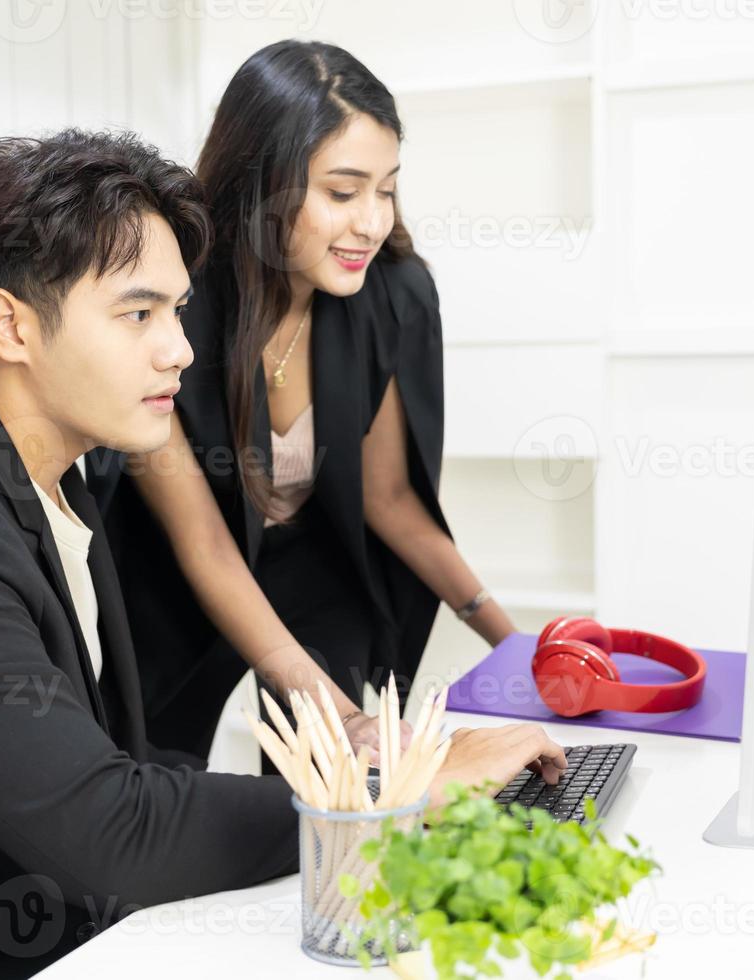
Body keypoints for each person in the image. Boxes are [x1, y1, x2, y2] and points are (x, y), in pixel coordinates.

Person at [0, 129, 566, 980]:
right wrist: (393, 798)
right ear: (10, 325)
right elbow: (110, 833)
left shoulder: (51, 482)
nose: (179, 348)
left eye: (176, 311)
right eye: (138, 313)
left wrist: (355, 754)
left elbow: (113, 775)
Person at [87, 40, 517, 766]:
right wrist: (337, 713)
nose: (373, 223)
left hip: (318, 560)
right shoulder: (170, 309)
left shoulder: (392, 293)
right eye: (343, 193)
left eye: (386, 190)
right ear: (264, 185)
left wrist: (515, 642)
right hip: (177, 577)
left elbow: (388, 499)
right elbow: (206, 545)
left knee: (346, 777)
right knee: (152, 787)